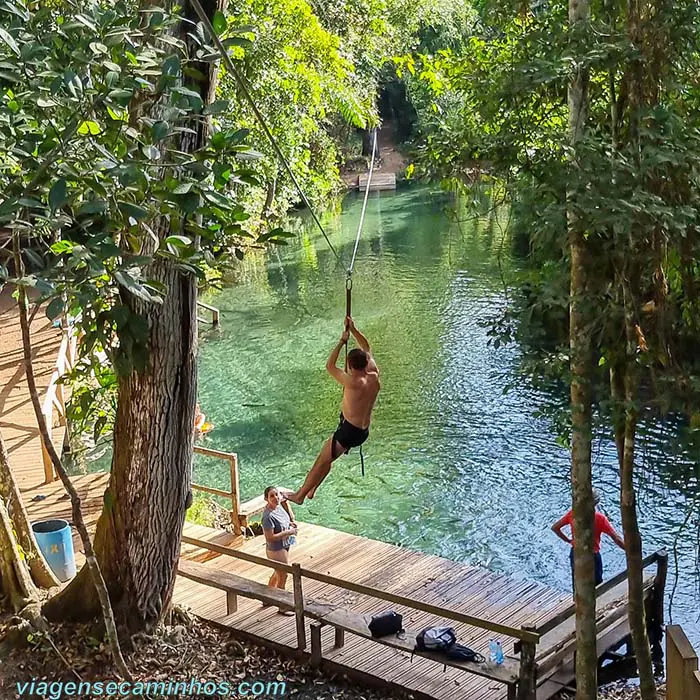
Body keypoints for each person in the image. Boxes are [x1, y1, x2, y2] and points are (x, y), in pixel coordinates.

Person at [286, 316, 380, 505]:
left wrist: (341, 342)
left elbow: (329, 366)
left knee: (321, 461)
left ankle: (300, 496)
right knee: (327, 458)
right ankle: (312, 490)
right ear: (365, 363)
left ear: (351, 366)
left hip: (349, 431)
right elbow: (366, 348)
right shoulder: (374, 375)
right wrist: (353, 329)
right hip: (362, 431)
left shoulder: (352, 382)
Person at [551, 488, 626, 589]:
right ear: (595, 503)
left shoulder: (573, 514)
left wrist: (568, 540)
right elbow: (616, 538)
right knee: (597, 583)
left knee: (577, 581)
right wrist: (629, 550)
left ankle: (577, 603)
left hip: (576, 552)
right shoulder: (600, 518)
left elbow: (555, 528)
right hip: (592, 555)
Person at [261, 486, 297, 615]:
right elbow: (270, 537)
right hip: (276, 548)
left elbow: (288, 519)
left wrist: (290, 525)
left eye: (277, 495)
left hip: (285, 544)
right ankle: (282, 606)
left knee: (278, 572)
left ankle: (267, 597)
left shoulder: (279, 508)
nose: (275, 498)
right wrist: (288, 532)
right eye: (272, 496)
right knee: (283, 575)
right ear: (266, 499)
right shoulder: (267, 516)